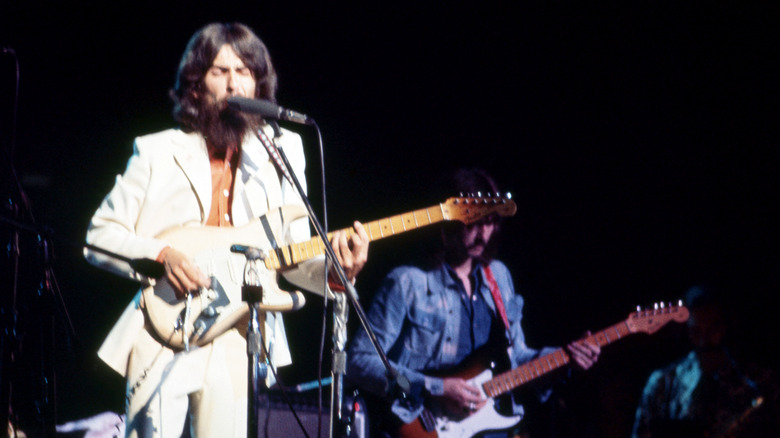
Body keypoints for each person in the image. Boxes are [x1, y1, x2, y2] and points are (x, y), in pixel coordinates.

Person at [84, 22, 369, 438]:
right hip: (165, 325)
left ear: (258, 85)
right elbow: (99, 235)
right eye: (220, 71)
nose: (234, 82)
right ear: (196, 85)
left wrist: (336, 271)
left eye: (245, 71)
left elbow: (293, 252)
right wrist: (162, 256)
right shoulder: (156, 150)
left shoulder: (284, 150)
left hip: (243, 333)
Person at [345, 168, 600, 437]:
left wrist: (564, 358)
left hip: (489, 426)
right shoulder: (408, 282)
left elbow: (517, 356)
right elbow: (361, 362)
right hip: (421, 425)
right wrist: (434, 387)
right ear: (447, 222)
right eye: (473, 222)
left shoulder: (498, 276)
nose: (482, 233)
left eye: (490, 222)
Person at [631, 285, 778, 438]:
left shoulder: (762, 382)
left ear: (729, 325)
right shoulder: (662, 382)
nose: (704, 341)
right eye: (696, 331)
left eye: (714, 329)